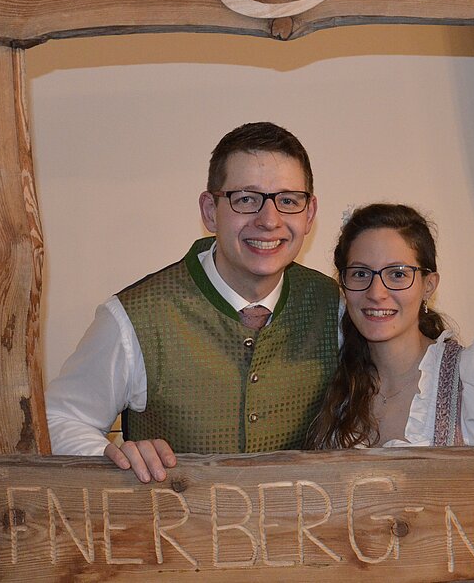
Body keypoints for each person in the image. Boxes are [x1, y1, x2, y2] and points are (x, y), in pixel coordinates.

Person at [46, 122, 340, 481]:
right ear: (210, 211)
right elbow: (59, 419)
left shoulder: (336, 307)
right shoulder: (134, 318)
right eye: (246, 199)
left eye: (288, 201)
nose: (269, 220)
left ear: (309, 214)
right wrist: (114, 457)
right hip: (169, 518)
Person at [308, 203, 474, 449]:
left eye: (398, 274)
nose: (376, 292)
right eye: (360, 273)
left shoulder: (472, 379)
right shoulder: (337, 384)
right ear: (343, 284)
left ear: (429, 286)